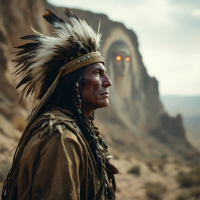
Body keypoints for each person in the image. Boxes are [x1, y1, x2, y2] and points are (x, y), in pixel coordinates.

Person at [1, 8, 118, 200]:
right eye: (98, 73)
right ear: (72, 82)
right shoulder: (61, 138)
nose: (108, 82)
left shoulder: (76, 129)